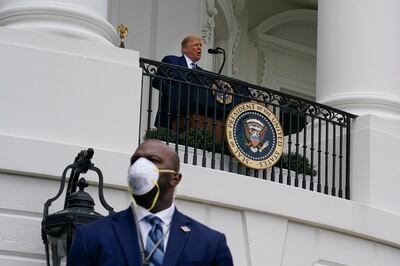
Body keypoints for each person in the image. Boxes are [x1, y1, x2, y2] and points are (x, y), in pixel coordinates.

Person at [67, 139, 234, 266]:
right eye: (135, 161)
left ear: (175, 178)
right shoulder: (91, 236)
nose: (140, 166)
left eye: (152, 160)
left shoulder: (210, 244)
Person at [152, 36, 204, 129]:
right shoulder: (172, 61)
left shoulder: (201, 72)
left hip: (191, 122)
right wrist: (176, 94)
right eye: (196, 45)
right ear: (185, 49)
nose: (199, 47)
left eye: (200, 45)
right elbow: (157, 81)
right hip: (169, 117)